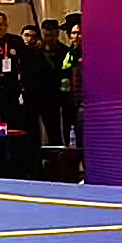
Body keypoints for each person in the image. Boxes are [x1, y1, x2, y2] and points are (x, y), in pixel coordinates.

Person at [40, 18, 69, 144]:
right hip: (39, 95)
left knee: (58, 128)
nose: (49, 38)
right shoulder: (35, 52)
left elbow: (67, 72)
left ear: (57, 34)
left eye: (52, 35)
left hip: (59, 95)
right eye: (46, 35)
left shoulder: (65, 52)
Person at [61, 19, 83, 147]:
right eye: (74, 33)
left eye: (79, 33)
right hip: (68, 100)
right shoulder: (67, 53)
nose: (77, 36)